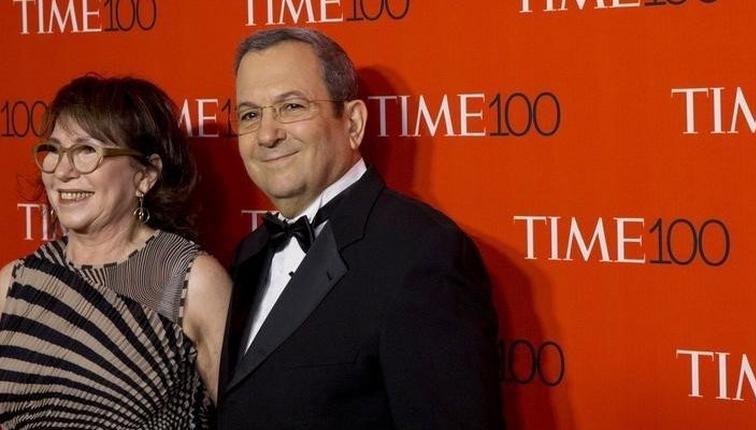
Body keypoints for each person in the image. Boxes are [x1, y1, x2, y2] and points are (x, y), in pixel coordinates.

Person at [218, 28, 504, 429]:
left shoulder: (421, 254)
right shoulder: (249, 253)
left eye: (292, 107)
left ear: (352, 122)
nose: (267, 134)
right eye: (250, 114)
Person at [0, 75, 232, 429]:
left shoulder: (189, 280)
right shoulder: (15, 284)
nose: (63, 171)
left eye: (87, 151)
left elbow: (248, 415)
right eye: (54, 151)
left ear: (145, 175)